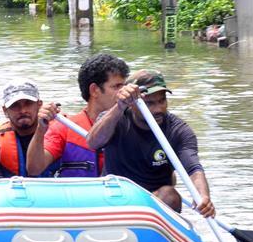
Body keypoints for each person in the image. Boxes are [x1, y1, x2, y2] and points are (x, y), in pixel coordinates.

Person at [86, 69, 215, 217]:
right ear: (132, 104)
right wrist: (120, 106)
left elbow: (193, 169)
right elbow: (93, 143)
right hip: (115, 196)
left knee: (170, 195)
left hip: (153, 202)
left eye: (162, 101)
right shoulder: (115, 118)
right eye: (150, 103)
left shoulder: (178, 130)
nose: (158, 109)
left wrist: (203, 197)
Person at [26, 52, 129, 178]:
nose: (124, 92)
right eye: (117, 86)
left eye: (125, 85)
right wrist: (40, 129)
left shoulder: (132, 124)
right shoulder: (64, 128)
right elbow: (34, 169)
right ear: (94, 90)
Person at [0, 80, 60, 181]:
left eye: (28, 103)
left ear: (39, 105)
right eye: (15, 105)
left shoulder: (59, 136)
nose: (23, 110)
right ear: (5, 111)